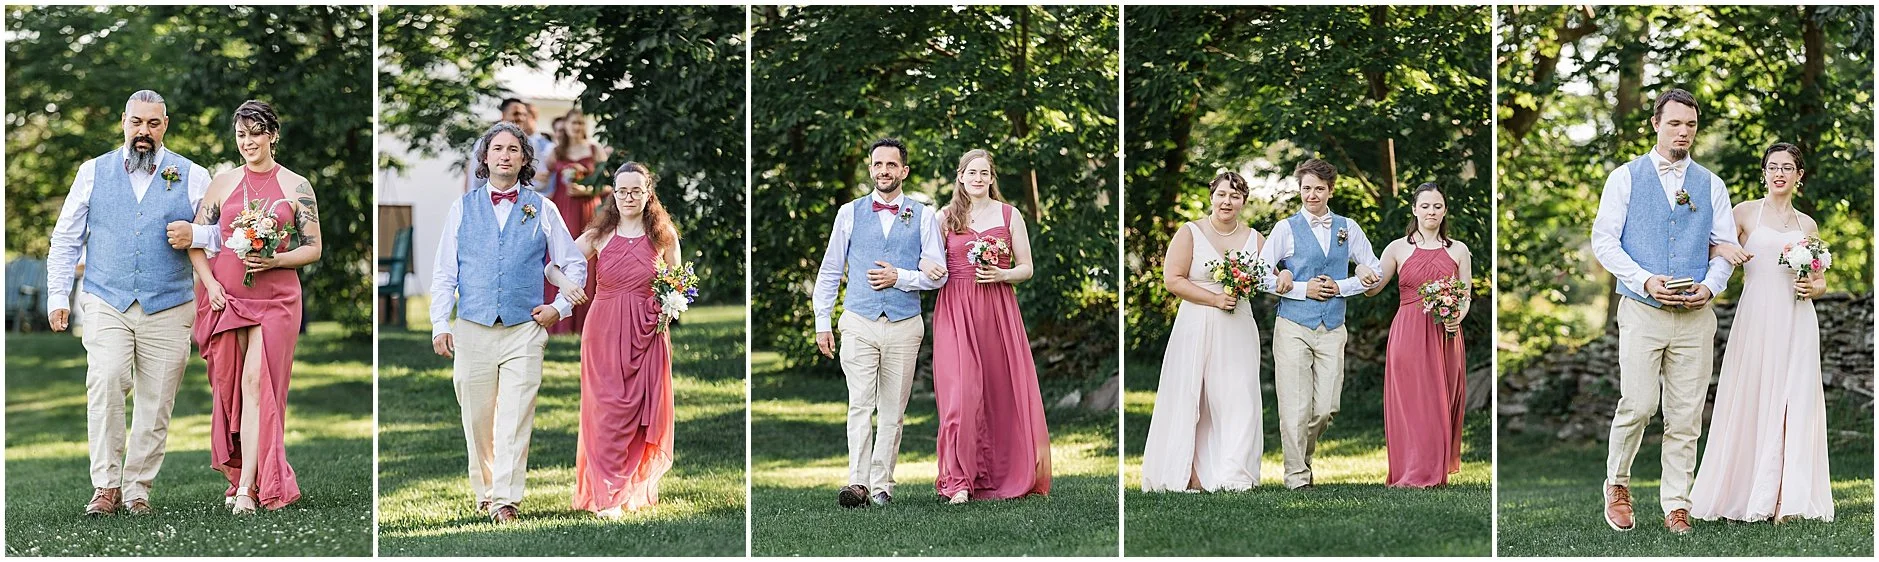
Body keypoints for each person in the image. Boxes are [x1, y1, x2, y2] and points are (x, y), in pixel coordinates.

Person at [47, 89, 219, 516]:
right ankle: (105, 486)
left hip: (171, 303)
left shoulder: (194, 175)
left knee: (156, 400)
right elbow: (66, 237)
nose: (144, 131)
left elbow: (223, 237)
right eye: (136, 122)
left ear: (166, 125)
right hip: (106, 299)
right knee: (105, 381)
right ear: (123, 121)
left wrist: (195, 236)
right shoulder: (92, 172)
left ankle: (137, 489)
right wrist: (57, 294)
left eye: (153, 123)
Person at [1590, 88, 1738, 535]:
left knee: (1686, 416)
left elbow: (1724, 247)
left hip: (1695, 318)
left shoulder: (1711, 184)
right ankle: (1617, 484)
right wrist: (1645, 280)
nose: (1683, 132)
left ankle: (1677, 504)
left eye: (1690, 125)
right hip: (1641, 308)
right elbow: (1604, 241)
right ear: (1656, 124)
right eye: (1675, 123)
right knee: (1637, 404)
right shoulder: (1625, 177)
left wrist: (1711, 288)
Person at [430, 121, 586, 523]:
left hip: (524, 329)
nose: (504, 155)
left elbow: (571, 263)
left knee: (516, 416)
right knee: (477, 418)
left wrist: (559, 309)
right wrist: (439, 324)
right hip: (472, 328)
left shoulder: (543, 208)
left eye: (513, 150)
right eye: (497, 149)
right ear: (485, 157)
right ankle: (486, 492)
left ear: (524, 159)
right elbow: (445, 272)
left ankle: (506, 500)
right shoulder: (463, 207)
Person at [1689, 142, 1834, 523]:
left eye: (1788, 167)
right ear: (1764, 172)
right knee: (1753, 397)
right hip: (1756, 318)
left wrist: (1811, 288)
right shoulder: (1745, 213)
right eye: (1773, 167)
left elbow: (1819, 282)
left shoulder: (1808, 225)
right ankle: (1746, 493)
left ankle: (1789, 499)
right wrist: (1727, 253)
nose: (1780, 174)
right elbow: (1710, 250)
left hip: (1797, 320)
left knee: (1795, 401)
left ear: (1799, 175)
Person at [188, 100, 320, 513]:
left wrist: (276, 259)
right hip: (227, 298)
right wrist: (209, 285)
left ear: (272, 135)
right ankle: (247, 475)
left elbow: (313, 247)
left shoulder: (297, 187)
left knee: (257, 385)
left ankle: (248, 488)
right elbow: (195, 238)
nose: (248, 142)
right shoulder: (222, 183)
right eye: (241, 135)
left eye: (256, 133)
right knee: (232, 389)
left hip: (277, 299)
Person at [812, 138, 945, 508]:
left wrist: (900, 277)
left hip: (905, 323)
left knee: (892, 410)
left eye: (891, 165)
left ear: (904, 170)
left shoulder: (924, 215)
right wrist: (823, 320)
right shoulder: (849, 212)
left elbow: (938, 274)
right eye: (877, 164)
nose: (883, 170)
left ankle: (882, 485)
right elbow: (830, 270)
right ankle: (857, 483)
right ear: (870, 169)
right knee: (859, 403)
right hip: (858, 319)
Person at [1140, 172, 1291, 492]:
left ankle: (1233, 473)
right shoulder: (1190, 232)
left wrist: (1286, 272)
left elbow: (1274, 273)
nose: (1227, 201)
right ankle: (1189, 473)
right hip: (1196, 323)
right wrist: (1214, 298)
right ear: (1212, 196)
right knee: (1193, 396)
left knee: (1239, 397)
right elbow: (1173, 279)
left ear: (1243, 202)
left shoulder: (1255, 238)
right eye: (1222, 194)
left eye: (1235, 196)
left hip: (1238, 325)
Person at [551, 162, 681, 518]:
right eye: (621, 191)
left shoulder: (663, 235)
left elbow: (678, 281)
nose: (628, 197)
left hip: (648, 331)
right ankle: (606, 496)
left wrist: (670, 307)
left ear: (648, 192)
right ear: (612, 192)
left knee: (641, 411)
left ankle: (626, 490)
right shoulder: (599, 235)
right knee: (606, 411)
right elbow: (553, 266)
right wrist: (567, 285)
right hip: (604, 330)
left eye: (636, 191)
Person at [926, 149, 1050, 503]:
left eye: (985, 173)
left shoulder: (1010, 216)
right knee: (959, 395)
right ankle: (958, 481)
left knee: (999, 392)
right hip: (955, 309)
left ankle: (998, 473)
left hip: (996, 309)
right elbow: (928, 261)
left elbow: (1027, 267)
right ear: (960, 177)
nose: (978, 178)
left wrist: (1003, 273)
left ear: (992, 178)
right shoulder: (944, 218)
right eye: (971, 172)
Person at [1259, 158, 1382, 490]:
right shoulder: (1285, 229)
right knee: (1295, 406)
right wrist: (1301, 289)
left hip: (1332, 326)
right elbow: (1259, 275)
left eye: (1318, 189)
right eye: (1306, 188)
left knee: (1327, 407)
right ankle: (1297, 477)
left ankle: (1305, 458)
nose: (1311, 195)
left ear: (1331, 190)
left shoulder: (1347, 227)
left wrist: (1343, 285)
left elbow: (1374, 270)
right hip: (1293, 325)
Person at [1364, 183, 1470, 488]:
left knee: (1440, 401)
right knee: (1411, 401)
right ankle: (1410, 470)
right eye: (1425, 206)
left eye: (1437, 206)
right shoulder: (1397, 248)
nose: (1431, 212)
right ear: (1414, 210)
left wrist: (1455, 318)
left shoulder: (1458, 250)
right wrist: (1361, 274)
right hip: (1408, 331)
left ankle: (1434, 472)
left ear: (1445, 210)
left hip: (1445, 334)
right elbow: (1373, 288)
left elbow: (1465, 295)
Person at [544, 108, 611, 334]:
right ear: (566, 125)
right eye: (574, 123)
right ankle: (559, 319)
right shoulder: (556, 151)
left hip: (588, 209)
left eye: (581, 123)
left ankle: (588, 321)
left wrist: (587, 190)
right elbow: (540, 179)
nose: (578, 128)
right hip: (562, 208)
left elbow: (610, 185)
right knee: (561, 256)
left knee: (587, 259)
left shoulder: (594, 149)